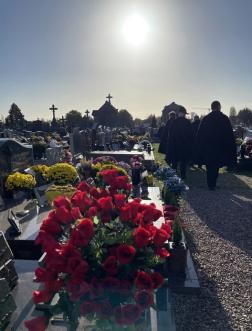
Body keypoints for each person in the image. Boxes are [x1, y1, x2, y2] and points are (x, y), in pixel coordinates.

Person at [195, 100, 236, 190]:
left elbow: (200, 134)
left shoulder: (206, 119)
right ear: (219, 107)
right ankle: (213, 183)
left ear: (212, 107)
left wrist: (199, 147)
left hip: (208, 149)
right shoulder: (224, 118)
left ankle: (210, 184)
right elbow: (229, 135)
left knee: (209, 167)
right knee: (216, 166)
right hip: (220, 148)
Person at [166, 106, 193, 179]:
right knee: (183, 162)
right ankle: (183, 175)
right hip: (184, 146)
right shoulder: (187, 122)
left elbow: (170, 135)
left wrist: (170, 144)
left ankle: (174, 175)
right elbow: (191, 135)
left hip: (175, 145)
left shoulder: (174, 122)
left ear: (179, 113)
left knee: (174, 161)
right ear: (183, 114)